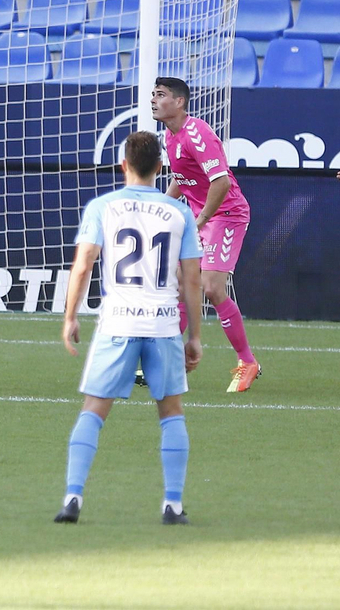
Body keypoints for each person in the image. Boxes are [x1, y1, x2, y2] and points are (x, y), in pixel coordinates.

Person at [56, 130, 202, 526]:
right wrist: (195, 336)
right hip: (163, 324)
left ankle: (73, 498)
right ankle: (172, 505)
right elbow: (192, 279)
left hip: (118, 322)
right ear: (160, 167)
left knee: (93, 410)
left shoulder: (103, 206)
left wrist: (70, 317)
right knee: (171, 412)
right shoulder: (180, 212)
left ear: (123, 165)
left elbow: (83, 264)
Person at [152, 78, 261, 393]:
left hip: (226, 215)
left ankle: (247, 362)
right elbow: (182, 178)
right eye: (153, 95)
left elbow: (221, 183)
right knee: (181, 285)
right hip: (203, 218)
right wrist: (160, 208)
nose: (154, 100)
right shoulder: (170, 136)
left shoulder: (197, 133)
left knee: (211, 287)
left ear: (179, 102)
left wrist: (200, 220)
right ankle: (169, 362)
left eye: (161, 95)